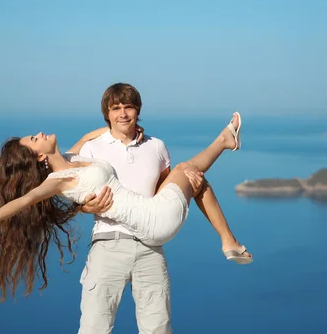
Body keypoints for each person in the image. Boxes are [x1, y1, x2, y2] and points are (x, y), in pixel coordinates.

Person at [0, 112, 251, 303]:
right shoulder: (57, 181)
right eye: (34, 139)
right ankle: (224, 142)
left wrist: (127, 127)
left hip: (148, 218)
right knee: (188, 171)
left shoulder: (72, 157)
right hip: (155, 220)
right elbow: (23, 201)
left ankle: (229, 240)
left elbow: (91, 136)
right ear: (37, 158)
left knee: (196, 180)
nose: (39, 133)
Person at [73, 83, 251, 334]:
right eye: (116, 108)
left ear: (138, 110)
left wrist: (190, 183)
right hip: (108, 244)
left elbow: (162, 194)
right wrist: (85, 207)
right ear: (107, 113)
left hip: (150, 247)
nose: (123, 114)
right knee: (94, 328)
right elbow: (75, 195)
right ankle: (224, 143)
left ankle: (228, 236)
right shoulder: (91, 148)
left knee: (158, 329)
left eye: (129, 107)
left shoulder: (157, 147)